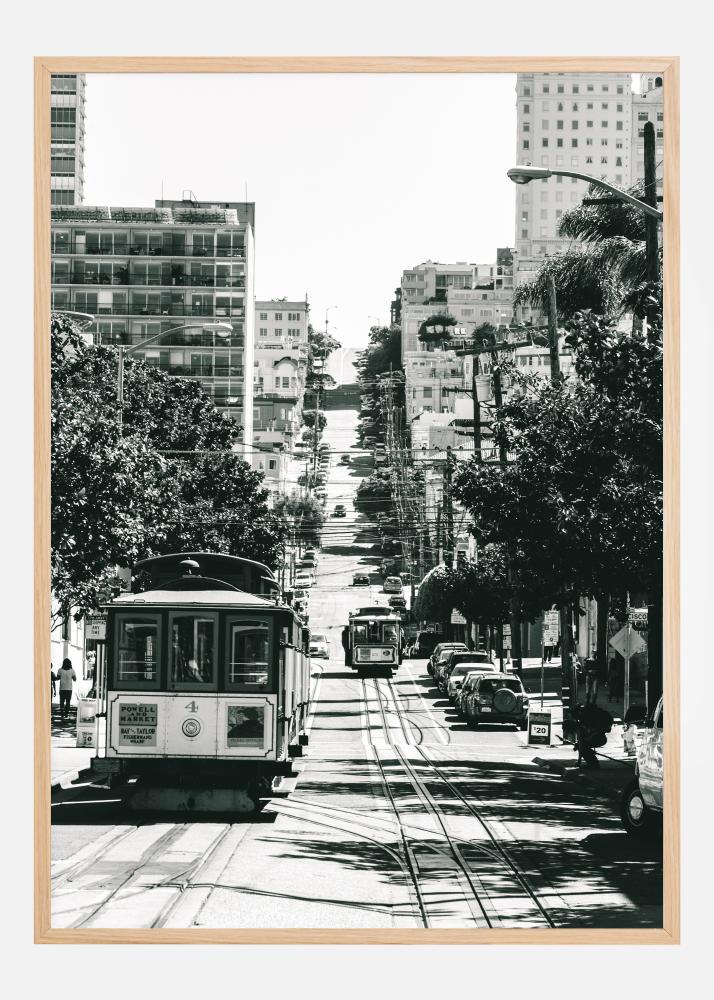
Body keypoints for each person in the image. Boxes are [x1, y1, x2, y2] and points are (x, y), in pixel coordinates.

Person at [573, 702, 612, 768]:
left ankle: (593, 764)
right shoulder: (589, 718)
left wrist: (579, 761)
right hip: (601, 738)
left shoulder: (584, 722)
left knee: (582, 746)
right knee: (581, 745)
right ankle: (593, 762)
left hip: (599, 739)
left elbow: (582, 742)